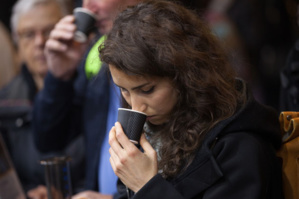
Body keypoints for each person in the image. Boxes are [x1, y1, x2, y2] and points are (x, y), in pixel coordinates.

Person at [99, 1, 284, 198]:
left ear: (186, 77)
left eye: (147, 89)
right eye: (124, 91)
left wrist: (147, 186)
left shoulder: (241, 146)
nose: (137, 107)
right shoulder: (158, 127)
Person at [33, 0, 141, 198]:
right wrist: (59, 76)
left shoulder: (172, 57)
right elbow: (49, 140)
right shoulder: (97, 53)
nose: (88, 5)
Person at [0, 0, 86, 197]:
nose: (40, 42)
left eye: (49, 31)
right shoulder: (4, 103)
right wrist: (28, 192)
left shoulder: (91, 90)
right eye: (29, 34)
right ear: (16, 43)